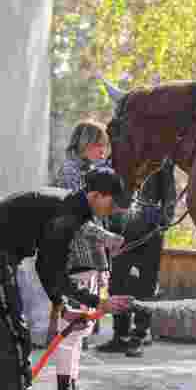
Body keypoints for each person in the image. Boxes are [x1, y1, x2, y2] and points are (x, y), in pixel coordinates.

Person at [0, 166, 134, 390]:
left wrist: (64, 305)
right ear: (96, 195)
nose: (114, 210)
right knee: (14, 338)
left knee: (16, 337)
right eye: (113, 202)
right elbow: (50, 267)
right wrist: (97, 301)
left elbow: (48, 265)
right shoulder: (70, 213)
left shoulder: (72, 207)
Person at [97, 160, 177, 357]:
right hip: (120, 230)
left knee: (145, 286)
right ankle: (120, 335)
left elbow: (169, 194)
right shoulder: (121, 154)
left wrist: (164, 221)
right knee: (117, 282)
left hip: (149, 232)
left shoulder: (161, 160)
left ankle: (139, 335)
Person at [52, 121, 117, 347]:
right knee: (71, 330)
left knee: (81, 330)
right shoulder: (70, 172)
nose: (103, 151)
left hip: (89, 258)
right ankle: (65, 381)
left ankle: (70, 378)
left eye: (105, 146)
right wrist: (106, 239)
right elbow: (76, 220)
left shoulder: (92, 172)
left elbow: (97, 218)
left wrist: (102, 266)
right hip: (73, 258)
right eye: (99, 145)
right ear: (84, 144)